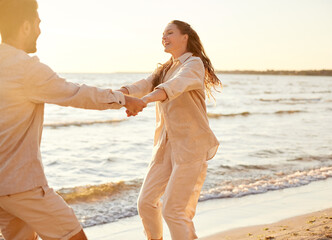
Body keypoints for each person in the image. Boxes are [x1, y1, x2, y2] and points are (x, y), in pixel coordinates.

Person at [0, 0, 146, 239]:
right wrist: (123, 99)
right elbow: (76, 93)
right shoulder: (26, 68)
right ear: (25, 27)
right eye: (37, 24)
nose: (39, 30)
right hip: (23, 185)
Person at [120, 20, 222, 240]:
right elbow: (142, 85)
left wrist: (144, 101)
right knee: (146, 203)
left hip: (191, 145)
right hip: (165, 147)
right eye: (162, 34)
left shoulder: (194, 64)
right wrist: (118, 94)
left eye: (169, 33)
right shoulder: (165, 68)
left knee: (174, 211)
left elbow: (173, 87)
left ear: (185, 37)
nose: (164, 37)